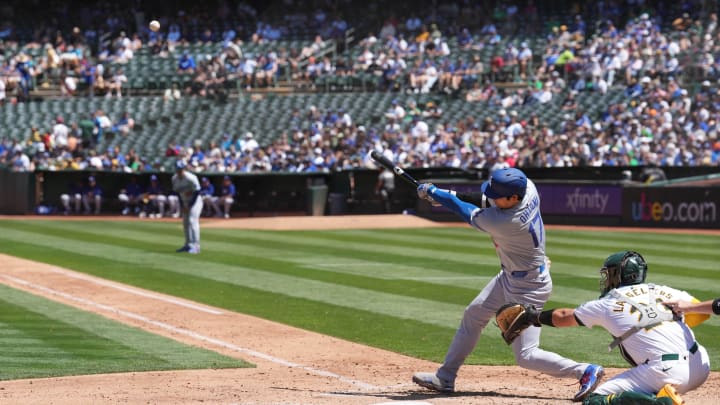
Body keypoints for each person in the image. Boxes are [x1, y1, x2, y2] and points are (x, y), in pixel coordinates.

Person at [412, 167, 603, 401]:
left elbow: (468, 212)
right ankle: (445, 377)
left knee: (526, 355)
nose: (493, 197)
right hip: (511, 276)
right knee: (474, 314)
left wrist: (440, 195)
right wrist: (442, 193)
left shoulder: (508, 222)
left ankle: (584, 370)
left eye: (499, 195)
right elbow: (484, 200)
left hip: (528, 288)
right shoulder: (528, 189)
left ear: (513, 198)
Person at [521, 251, 710, 405]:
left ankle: (660, 403)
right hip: (700, 368)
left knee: (594, 401)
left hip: (665, 372)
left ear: (618, 275)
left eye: (609, 273)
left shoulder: (608, 303)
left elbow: (564, 317)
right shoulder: (666, 290)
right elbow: (703, 312)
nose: (606, 278)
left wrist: (532, 317)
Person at [172, 161, 202, 254]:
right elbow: (177, 193)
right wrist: (182, 206)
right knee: (185, 223)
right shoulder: (174, 179)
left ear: (184, 169)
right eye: (177, 169)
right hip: (185, 201)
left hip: (195, 202)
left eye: (180, 169)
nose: (179, 171)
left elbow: (197, 192)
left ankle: (196, 246)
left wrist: (189, 206)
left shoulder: (191, 178)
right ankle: (188, 245)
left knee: (193, 221)